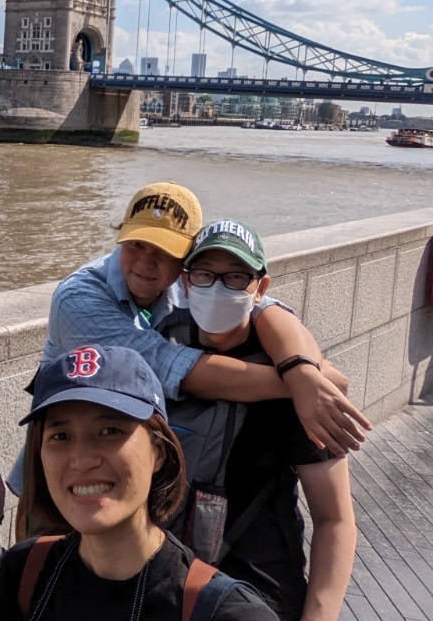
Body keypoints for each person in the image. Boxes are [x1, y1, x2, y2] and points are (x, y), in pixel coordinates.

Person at [0, 344, 284, 621]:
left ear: (160, 451)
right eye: (61, 436)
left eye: (110, 431)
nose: (83, 460)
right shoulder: (25, 573)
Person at [44, 181, 369, 458]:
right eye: (136, 245)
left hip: (129, 459)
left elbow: (267, 309)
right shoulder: (78, 298)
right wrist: (299, 386)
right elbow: (165, 365)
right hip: (63, 459)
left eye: (163, 252)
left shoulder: (185, 282)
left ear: (185, 263)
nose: (145, 262)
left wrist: (302, 371)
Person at [164, 220, 355, 621]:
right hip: (167, 585)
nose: (218, 289)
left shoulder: (298, 386)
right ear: (185, 281)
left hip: (261, 592)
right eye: (204, 274)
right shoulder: (164, 351)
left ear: (261, 286)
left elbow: (335, 517)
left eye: (236, 277)